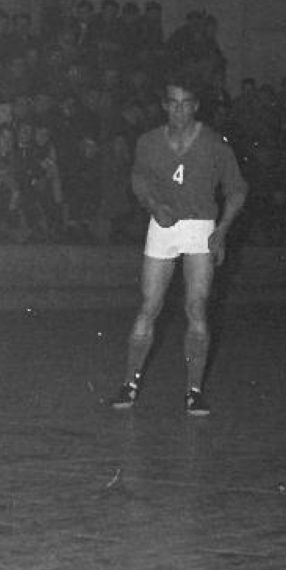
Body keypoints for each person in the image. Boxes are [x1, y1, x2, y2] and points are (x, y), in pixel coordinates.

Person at [109, 80, 248, 415]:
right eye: (173, 102)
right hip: (163, 225)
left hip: (200, 227)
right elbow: (139, 179)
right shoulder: (148, 142)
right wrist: (153, 204)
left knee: (196, 307)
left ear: (196, 105)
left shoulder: (214, 143)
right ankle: (129, 385)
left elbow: (237, 189)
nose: (179, 109)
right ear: (164, 105)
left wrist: (222, 230)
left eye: (186, 103)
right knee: (149, 306)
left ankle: (194, 391)